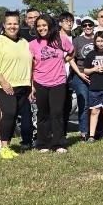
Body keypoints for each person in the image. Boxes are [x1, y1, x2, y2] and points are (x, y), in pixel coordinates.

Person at [0, 11, 33, 159]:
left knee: (13, 116)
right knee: (10, 113)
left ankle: (7, 144)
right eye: (9, 24)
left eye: (15, 23)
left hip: (23, 85)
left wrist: (31, 86)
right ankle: (3, 146)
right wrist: (4, 82)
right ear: (4, 25)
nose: (13, 26)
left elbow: (31, 65)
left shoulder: (24, 43)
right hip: (4, 85)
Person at [29, 14, 73, 153]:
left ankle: (58, 143)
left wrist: (63, 61)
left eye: (44, 25)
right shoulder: (33, 44)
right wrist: (32, 86)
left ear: (50, 25)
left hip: (58, 82)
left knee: (57, 113)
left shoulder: (61, 39)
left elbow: (71, 52)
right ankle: (43, 143)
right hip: (40, 82)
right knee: (43, 114)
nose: (41, 28)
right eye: (39, 26)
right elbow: (31, 66)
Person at [69, 17, 96, 136]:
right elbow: (70, 59)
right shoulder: (77, 40)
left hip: (96, 76)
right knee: (84, 103)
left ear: (93, 26)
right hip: (80, 76)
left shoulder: (98, 39)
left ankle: (96, 131)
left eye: (90, 25)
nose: (87, 27)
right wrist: (79, 73)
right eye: (85, 25)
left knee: (95, 104)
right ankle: (84, 131)